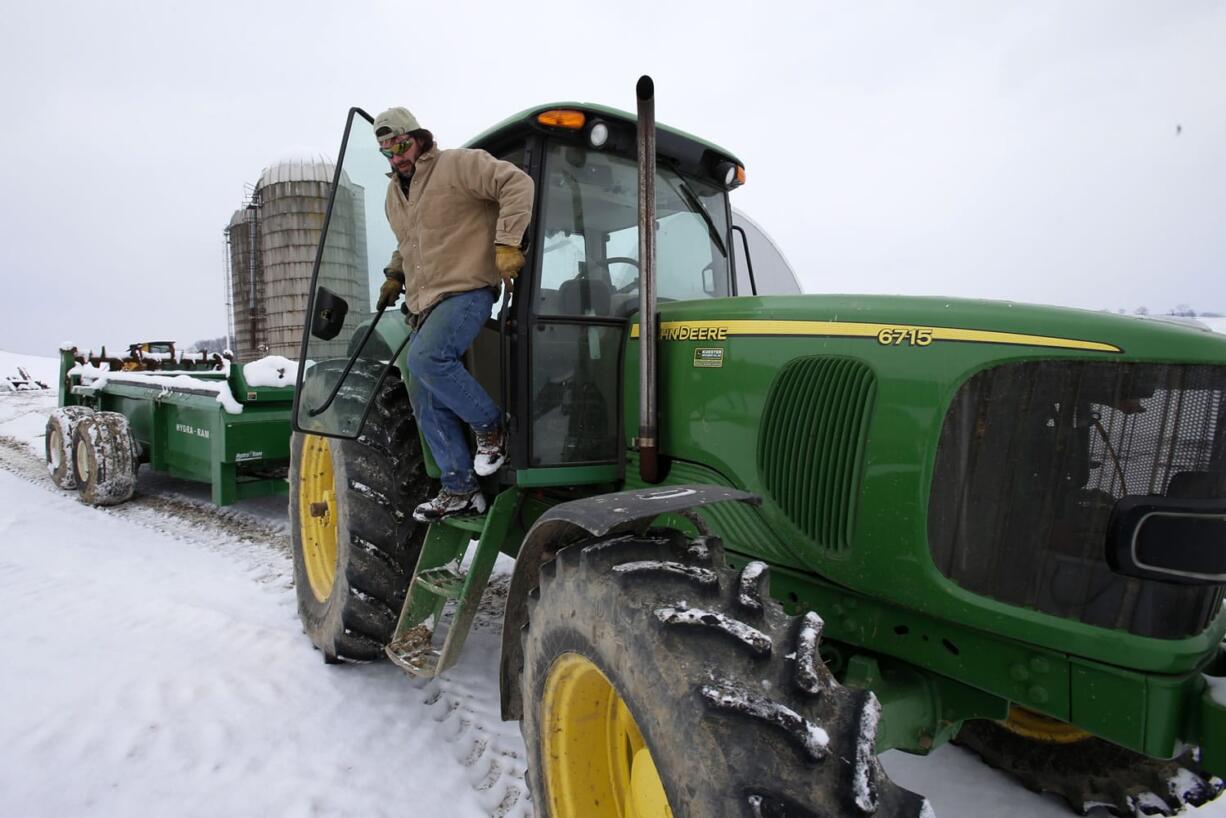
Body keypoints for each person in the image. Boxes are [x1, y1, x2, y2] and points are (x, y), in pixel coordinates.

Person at [372, 106, 534, 522]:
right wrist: (395, 275)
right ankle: (460, 488)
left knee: (427, 358)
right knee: (424, 395)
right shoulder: (394, 194)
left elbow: (517, 183)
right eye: (387, 151)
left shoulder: (458, 166)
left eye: (402, 146)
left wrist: (507, 242)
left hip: (466, 291)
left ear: (420, 138)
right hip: (425, 303)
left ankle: (492, 428)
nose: (397, 157)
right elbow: (410, 243)